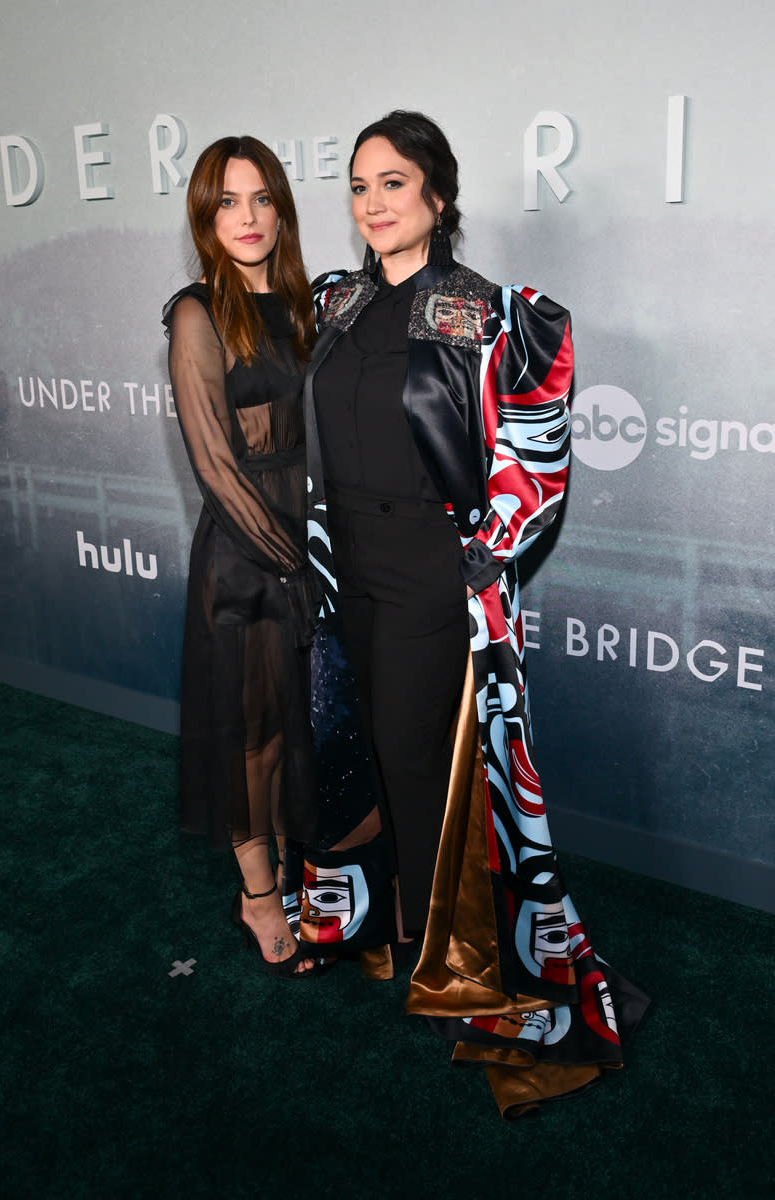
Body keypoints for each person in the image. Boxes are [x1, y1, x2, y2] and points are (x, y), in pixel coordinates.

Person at [299, 111, 649, 1110]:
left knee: (422, 761)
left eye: (393, 184)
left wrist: (483, 561)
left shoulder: (482, 312)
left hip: (426, 576)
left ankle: (460, 966)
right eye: (359, 186)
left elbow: (530, 456)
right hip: (347, 572)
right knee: (366, 745)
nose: (372, 204)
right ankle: (405, 925)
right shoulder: (336, 303)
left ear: (437, 198)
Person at [162, 136, 322, 978]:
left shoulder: (304, 303)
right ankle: (258, 895)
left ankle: (304, 875)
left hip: (310, 544)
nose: (249, 217)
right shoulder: (196, 311)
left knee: (304, 724)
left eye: (262, 198)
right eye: (228, 201)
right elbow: (216, 466)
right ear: (204, 214)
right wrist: (292, 565)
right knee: (255, 737)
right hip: (250, 556)